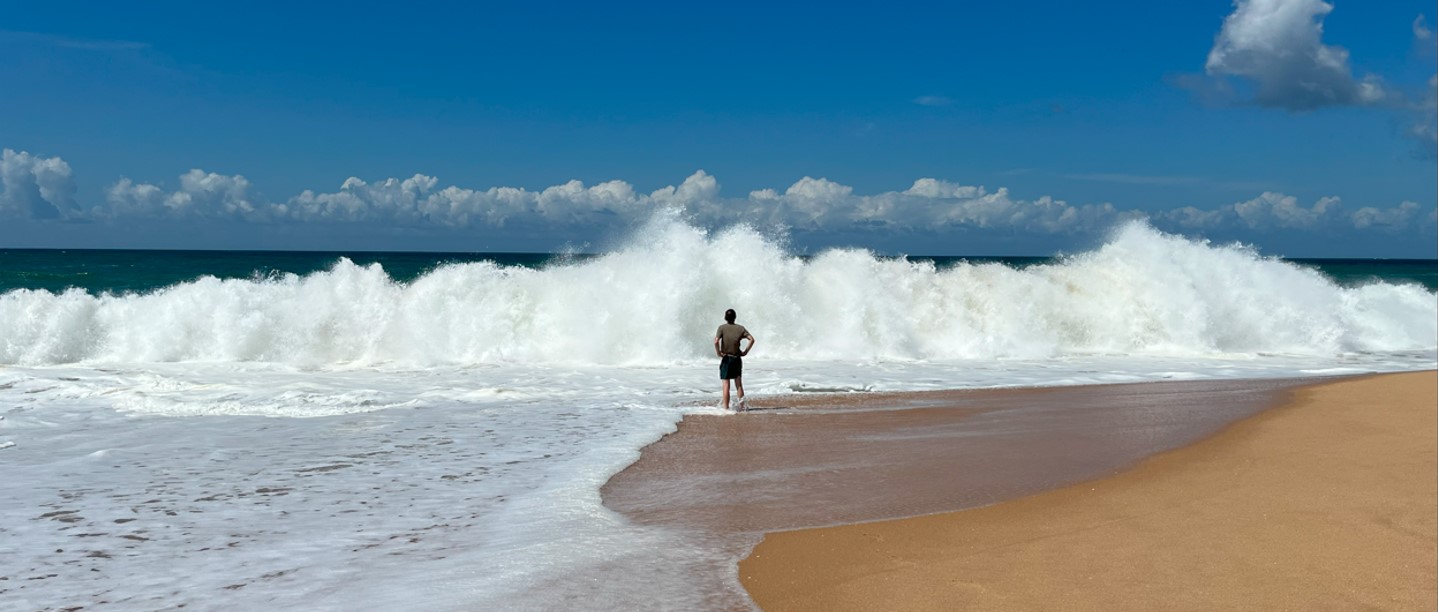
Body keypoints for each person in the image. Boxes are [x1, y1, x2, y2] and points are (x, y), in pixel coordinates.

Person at [714, 308, 755, 411]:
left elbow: (716, 342)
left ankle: (726, 408)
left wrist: (718, 352)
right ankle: (742, 407)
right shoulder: (740, 329)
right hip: (736, 358)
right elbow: (752, 339)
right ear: (735, 317)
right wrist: (745, 352)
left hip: (726, 359)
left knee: (726, 384)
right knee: (738, 384)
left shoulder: (721, 328)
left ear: (725, 317)